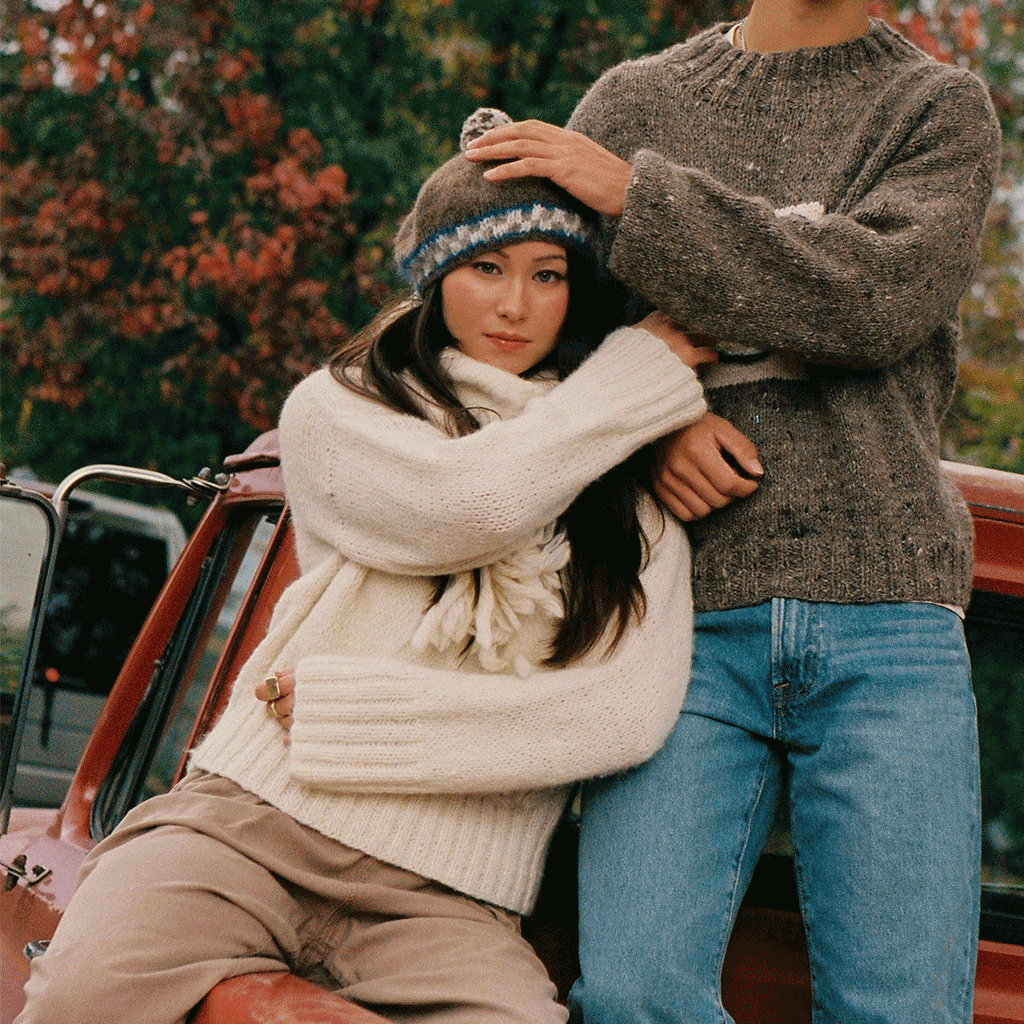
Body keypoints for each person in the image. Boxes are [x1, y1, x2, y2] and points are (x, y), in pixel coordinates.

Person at [15, 108, 714, 1024]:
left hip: (449, 893)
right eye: (486, 268)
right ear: (433, 278)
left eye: (549, 277)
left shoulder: (633, 496)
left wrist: (358, 716)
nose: (515, 305)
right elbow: (473, 507)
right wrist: (634, 380)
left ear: (575, 296)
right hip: (251, 827)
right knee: (77, 997)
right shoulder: (341, 412)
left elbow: (620, 713)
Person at [463, 2, 1002, 1021]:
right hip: (681, 621)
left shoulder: (936, 109)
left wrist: (638, 199)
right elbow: (541, 352)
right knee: (629, 994)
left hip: (887, 622)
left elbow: (875, 298)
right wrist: (655, 428)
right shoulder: (629, 101)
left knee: (901, 1009)